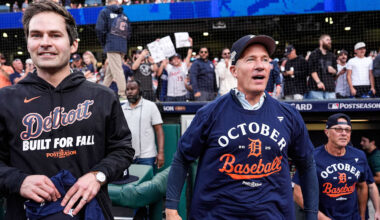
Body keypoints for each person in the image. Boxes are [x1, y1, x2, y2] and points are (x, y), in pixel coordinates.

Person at [0, 1, 134, 219]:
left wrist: (97, 175)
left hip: (91, 212)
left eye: (55, 35)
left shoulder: (102, 97)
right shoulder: (5, 100)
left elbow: (123, 150)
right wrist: (19, 181)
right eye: (36, 35)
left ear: (73, 45)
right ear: (28, 43)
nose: (45, 42)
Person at [165, 35, 319, 220]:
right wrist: (171, 209)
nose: (260, 65)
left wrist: (311, 215)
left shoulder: (289, 115)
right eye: (251, 60)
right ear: (234, 70)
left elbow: (307, 164)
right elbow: (182, 157)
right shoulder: (210, 113)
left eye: (265, 59)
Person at [293, 113, 374, 220]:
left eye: (347, 130)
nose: (344, 133)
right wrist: (321, 217)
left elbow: (362, 186)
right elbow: (297, 192)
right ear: (327, 132)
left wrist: (362, 216)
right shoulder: (313, 157)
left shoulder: (359, 155)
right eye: (338, 129)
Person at [121, 80, 164, 169]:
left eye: (132, 89)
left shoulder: (150, 106)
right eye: (127, 89)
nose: (129, 92)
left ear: (140, 90)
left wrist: (161, 152)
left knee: (147, 183)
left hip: (147, 157)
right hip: (127, 156)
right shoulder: (122, 108)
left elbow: (159, 130)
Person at [96, 0, 131, 99]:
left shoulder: (105, 11)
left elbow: (99, 29)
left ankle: (123, 94)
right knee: (110, 72)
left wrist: (104, 43)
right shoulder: (124, 15)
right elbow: (129, 32)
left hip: (112, 45)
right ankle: (102, 92)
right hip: (122, 46)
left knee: (117, 70)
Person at [157, 37, 193, 101]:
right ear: (171, 61)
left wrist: (191, 43)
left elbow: (189, 55)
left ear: (180, 59)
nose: (175, 60)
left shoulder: (184, 66)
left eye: (177, 58)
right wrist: (160, 44)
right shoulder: (169, 67)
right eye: (174, 59)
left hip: (182, 94)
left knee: (182, 111)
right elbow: (163, 57)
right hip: (170, 95)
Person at [306, 34, 337, 99]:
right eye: (327, 40)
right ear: (321, 42)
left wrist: (333, 71)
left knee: (332, 109)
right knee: (317, 109)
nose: (330, 42)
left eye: (330, 40)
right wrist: (318, 82)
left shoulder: (332, 56)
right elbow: (312, 70)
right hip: (316, 88)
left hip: (330, 89)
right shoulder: (314, 54)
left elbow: (336, 71)